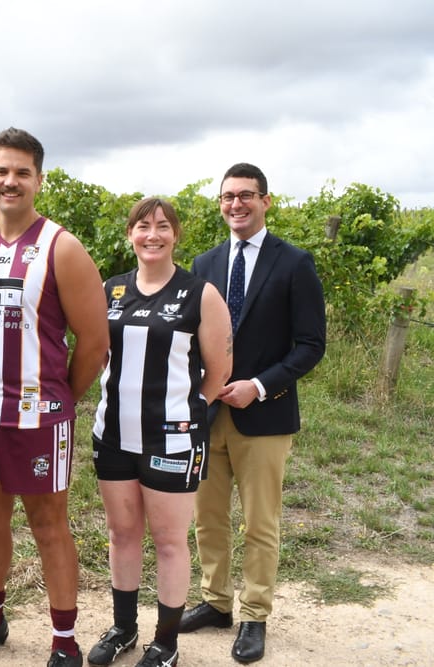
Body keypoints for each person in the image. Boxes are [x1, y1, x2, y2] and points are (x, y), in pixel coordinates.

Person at [0, 128, 109, 667]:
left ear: (38, 180)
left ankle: (64, 641)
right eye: (2, 171)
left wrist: (59, 396)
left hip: (39, 415)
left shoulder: (61, 247)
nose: (10, 181)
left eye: (22, 172)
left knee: (48, 523)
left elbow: (94, 342)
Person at [181, 163, 326, 664]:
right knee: (208, 517)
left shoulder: (294, 263)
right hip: (208, 415)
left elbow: (310, 345)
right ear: (220, 203)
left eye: (246, 195)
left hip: (265, 414)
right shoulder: (203, 264)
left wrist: (260, 386)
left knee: (260, 523)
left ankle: (254, 615)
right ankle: (216, 602)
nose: (236, 204)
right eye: (227, 196)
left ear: (266, 201)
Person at [85, 198, 232, 667]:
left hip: (172, 440)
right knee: (121, 534)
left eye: (163, 226)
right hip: (113, 435)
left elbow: (219, 371)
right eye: (143, 226)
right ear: (130, 234)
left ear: (176, 234)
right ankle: (124, 630)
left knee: (169, 541)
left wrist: (185, 415)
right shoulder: (109, 291)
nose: (153, 234)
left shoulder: (200, 293)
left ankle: (165, 643)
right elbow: (101, 357)